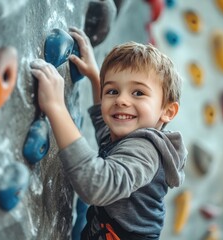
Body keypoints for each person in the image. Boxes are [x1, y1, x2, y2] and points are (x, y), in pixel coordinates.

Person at [30, 27, 188, 240]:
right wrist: (96, 77)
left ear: (167, 111)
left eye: (138, 93)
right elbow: (106, 129)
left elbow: (96, 185)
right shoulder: (130, 134)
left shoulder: (146, 151)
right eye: (112, 91)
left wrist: (56, 106)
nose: (121, 100)